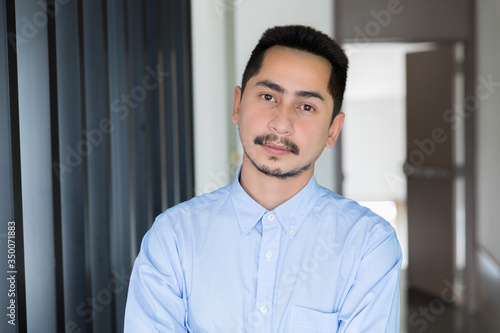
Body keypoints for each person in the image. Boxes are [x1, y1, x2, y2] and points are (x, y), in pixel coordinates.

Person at [124, 25, 402, 332]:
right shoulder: (173, 238)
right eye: (268, 96)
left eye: (306, 106)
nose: (282, 122)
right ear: (238, 105)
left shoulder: (367, 243)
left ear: (333, 130)